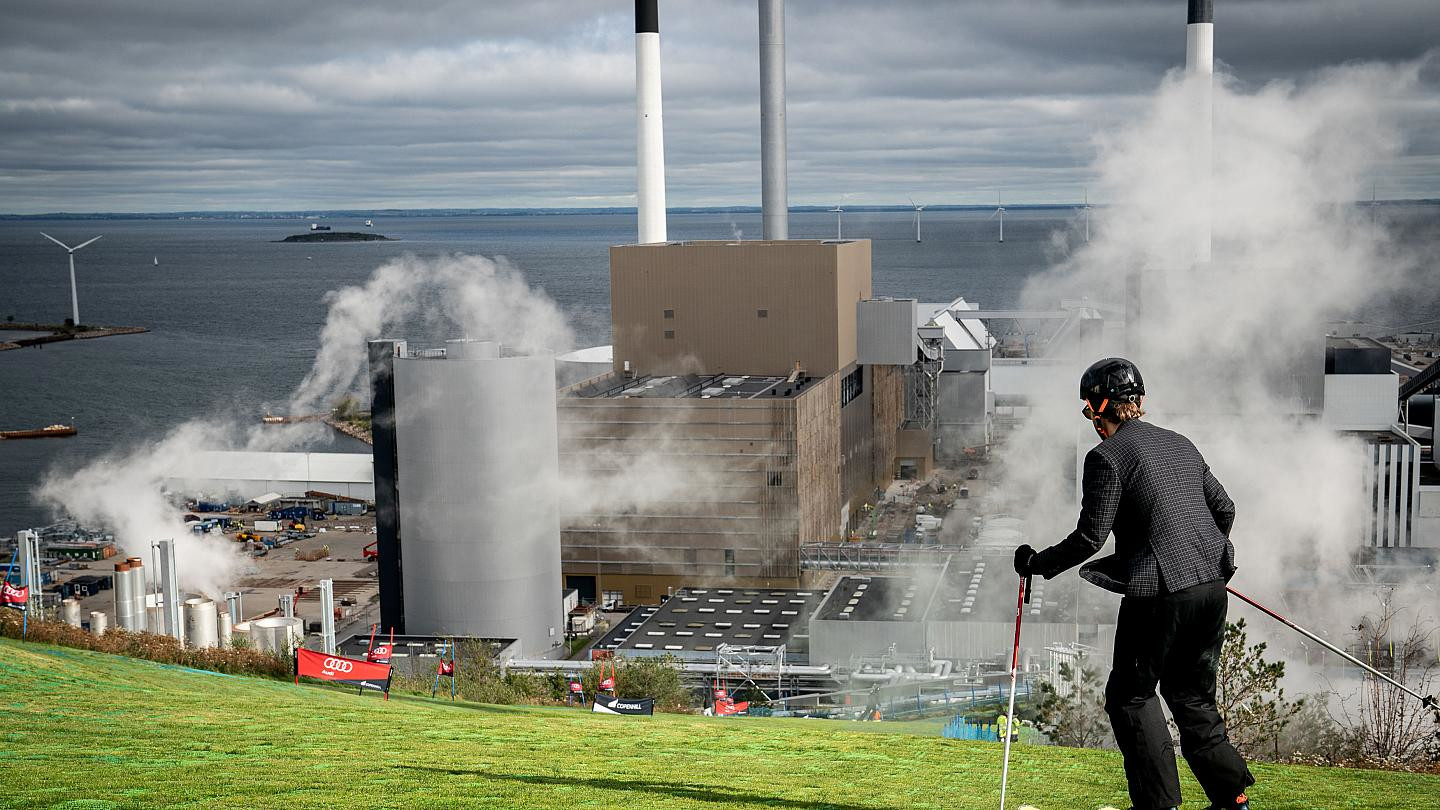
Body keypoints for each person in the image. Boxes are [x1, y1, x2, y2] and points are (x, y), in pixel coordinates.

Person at [1013, 357, 1254, 810]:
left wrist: (1035, 564)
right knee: (1191, 696)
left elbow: (1090, 536)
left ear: (1102, 405)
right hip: (1211, 588)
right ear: (1138, 401)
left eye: (1089, 411)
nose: (1091, 422)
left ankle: (1157, 806)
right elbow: (1225, 509)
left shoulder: (1106, 457)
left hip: (1160, 594)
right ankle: (1232, 799)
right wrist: (1201, 557)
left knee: (1130, 695)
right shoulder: (1179, 444)